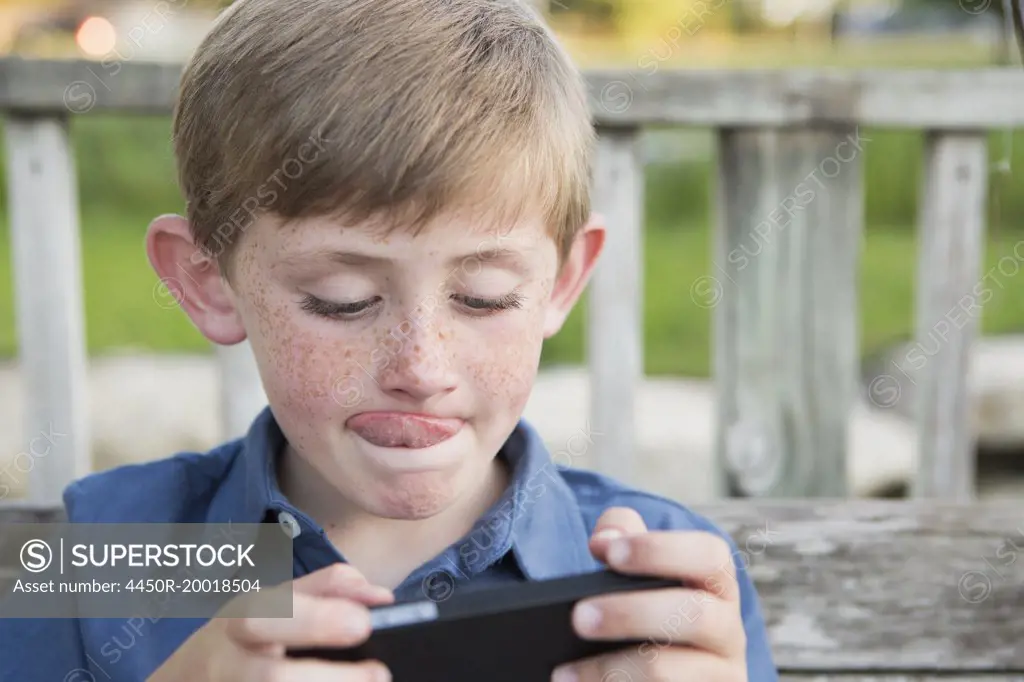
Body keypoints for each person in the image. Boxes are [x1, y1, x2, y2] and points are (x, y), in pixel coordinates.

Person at [1, 0, 779, 680]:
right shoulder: (117, 558)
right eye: (342, 302)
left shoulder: (661, 579)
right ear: (208, 281)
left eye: (484, 297)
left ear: (562, 283)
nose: (420, 367)